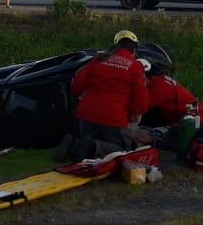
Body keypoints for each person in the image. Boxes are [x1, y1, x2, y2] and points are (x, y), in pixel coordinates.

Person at [55, 30, 148, 161]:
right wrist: (134, 116)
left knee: (89, 144)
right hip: (114, 119)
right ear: (134, 48)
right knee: (124, 150)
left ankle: (78, 144)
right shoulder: (135, 65)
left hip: (86, 115)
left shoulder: (98, 59)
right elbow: (141, 99)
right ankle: (86, 146)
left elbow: (76, 86)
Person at [140, 60, 203, 128]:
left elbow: (138, 109)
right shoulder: (161, 80)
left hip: (196, 119)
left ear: (144, 77)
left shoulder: (159, 87)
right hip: (195, 111)